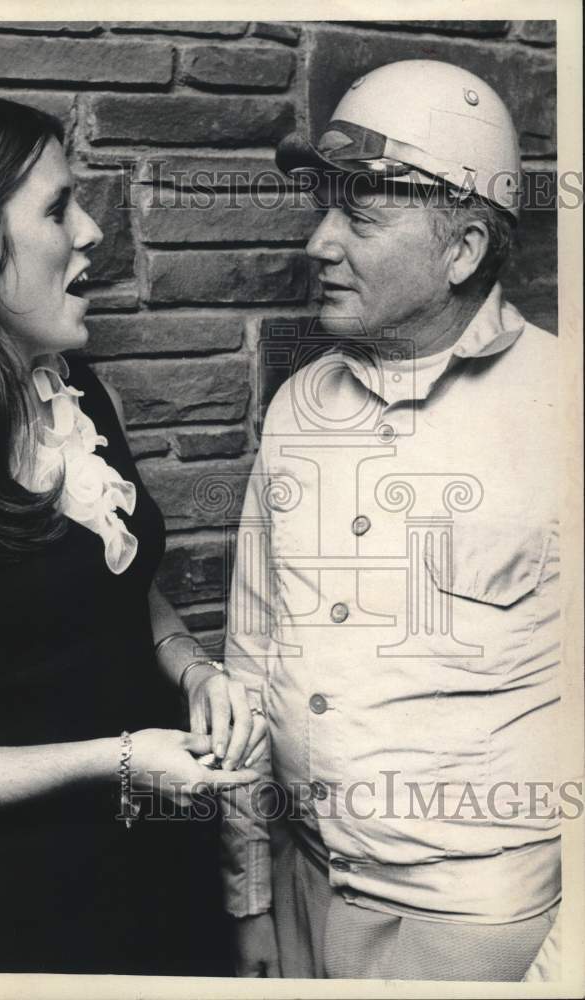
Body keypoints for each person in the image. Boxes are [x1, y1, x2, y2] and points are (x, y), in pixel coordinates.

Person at [0, 95, 266, 975]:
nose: (91, 232)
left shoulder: (82, 395)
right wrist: (119, 759)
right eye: (55, 208)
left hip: (170, 857)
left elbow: (119, 589)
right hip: (41, 908)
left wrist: (193, 667)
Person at [220, 59, 561, 981]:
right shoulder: (299, 406)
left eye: (361, 213)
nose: (318, 243)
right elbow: (252, 658)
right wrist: (249, 892)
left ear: (462, 249)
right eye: (324, 208)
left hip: (474, 930)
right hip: (302, 891)